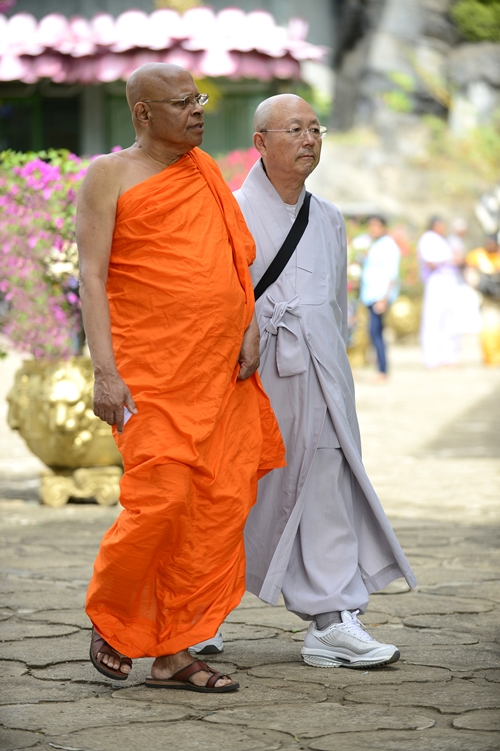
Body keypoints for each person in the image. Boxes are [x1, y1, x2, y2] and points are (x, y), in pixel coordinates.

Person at [76, 63, 284, 693]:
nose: (198, 109)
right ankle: (113, 618)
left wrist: (248, 325)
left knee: (211, 508)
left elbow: (233, 257)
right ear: (142, 114)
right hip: (149, 376)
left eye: (199, 98)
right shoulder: (108, 175)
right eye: (182, 102)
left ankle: (173, 652)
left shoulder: (204, 174)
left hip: (219, 372)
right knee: (161, 500)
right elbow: (90, 277)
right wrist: (104, 372)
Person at [198, 94, 415, 668]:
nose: (309, 139)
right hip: (251, 377)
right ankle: (195, 614)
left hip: (318, 377)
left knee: (324, 486)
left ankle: (332, 618)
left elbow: (335, 310)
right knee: (227, 491)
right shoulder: (230, 210)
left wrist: (336, 374)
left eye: (316, 129)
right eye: (294, 129)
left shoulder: (330, 217)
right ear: (261, 143)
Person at [360, 215, 401, 379]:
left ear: (383, 227)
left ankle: (382, 369)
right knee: (374, 331)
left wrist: (384, 299)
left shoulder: (389, 246)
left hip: (379, 296)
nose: (372, 229)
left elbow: (392, 275)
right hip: (371, 295)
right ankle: (379, 365)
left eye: (375, 226)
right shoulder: (374, 244)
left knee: (376, 332)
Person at [418, 217, 462, 369]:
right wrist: (450, 259)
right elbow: (430, 262)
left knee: (449, 318)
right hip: (436, 281)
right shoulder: (427, 239)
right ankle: (431, 358)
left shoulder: (444, 240)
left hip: (449, 280)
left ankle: (449, 356)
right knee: (433, 318)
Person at [465, 236, 500, 366]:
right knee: (490, 326)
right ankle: (492, 358)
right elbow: (470, 271)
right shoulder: (479, 255)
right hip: (488, 299)